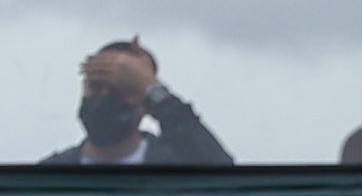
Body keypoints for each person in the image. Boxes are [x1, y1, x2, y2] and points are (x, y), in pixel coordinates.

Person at [41, 37, 231, 169]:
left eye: (120, 89)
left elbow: (224, 177)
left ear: (146, 103)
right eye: (96, 86)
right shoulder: (50, 174)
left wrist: (157, 93)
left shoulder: (174, 167)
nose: (105, 97)